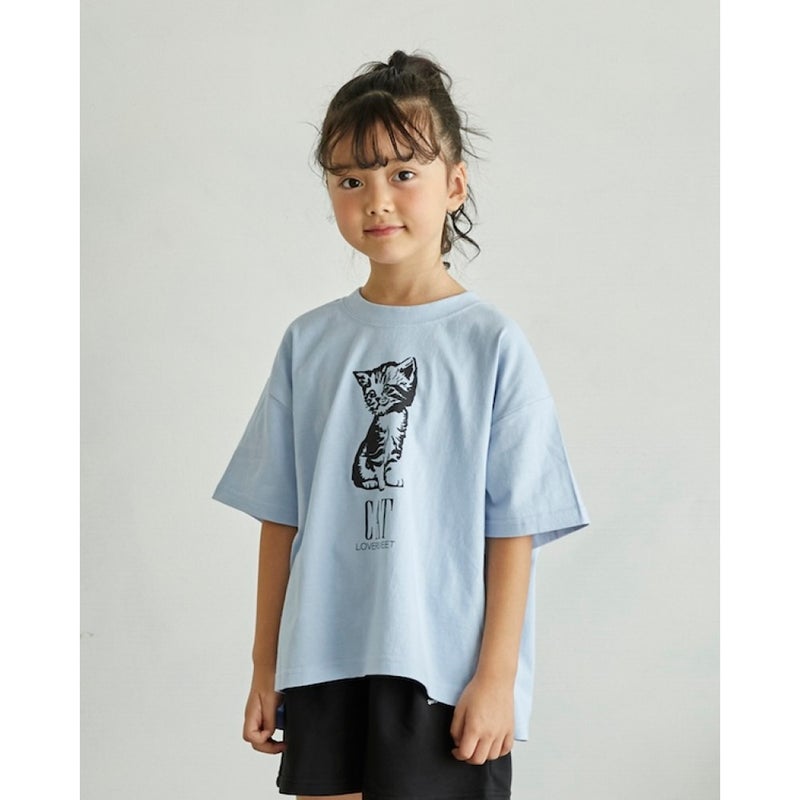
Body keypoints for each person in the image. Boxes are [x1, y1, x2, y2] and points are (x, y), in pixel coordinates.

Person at [213, 49, 590, 800]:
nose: (377, 200)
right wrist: (264, 665)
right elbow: (280, 516)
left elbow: (514, 526)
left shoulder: (490, 343)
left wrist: (497, 678)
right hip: (322, 658)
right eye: (351, 180)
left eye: (402, 173)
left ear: (455, 184)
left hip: (440, 668)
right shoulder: (310, 342)